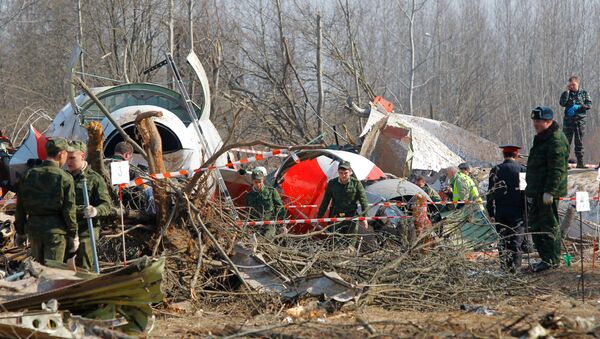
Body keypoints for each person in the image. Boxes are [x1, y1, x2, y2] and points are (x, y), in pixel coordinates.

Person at [14, 138, 78, 265]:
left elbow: (20, 207)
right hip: (55, 232)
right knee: (53, 272)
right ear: (61, 154)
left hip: (34, 230)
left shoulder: (29, 174)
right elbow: (69, 210)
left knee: (39, 269)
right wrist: (73, 234)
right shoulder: (64, 177)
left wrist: (20, 232)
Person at [526, 106, 569, 272]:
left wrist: (550, 191)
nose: (535, 124)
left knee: (549, 225)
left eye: (538, 121)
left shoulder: (556, 139)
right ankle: (545, 258)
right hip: (537, 190)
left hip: (547, 191)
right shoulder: (543, 137)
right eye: (535, 121)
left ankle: (551, 259)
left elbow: (557, 168)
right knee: (536, 224)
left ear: (548, 121)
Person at [66, 140, 112, 269]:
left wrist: (95, 211)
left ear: (83, 156)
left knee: (83, 262)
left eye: (72, 158)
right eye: (66, 158)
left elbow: (106, 205)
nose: (68, 162)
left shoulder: (94, 178)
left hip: (86, 228)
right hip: (67, 226)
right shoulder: (64, 178)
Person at [486, 145, 526, 273]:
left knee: (503, 241)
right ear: (516, 155)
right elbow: (526, 194)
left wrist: (491, 212)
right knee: (516, 242)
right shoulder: (521, 170)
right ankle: (515, 270)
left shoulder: (496, 170)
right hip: (517, 212)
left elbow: (490, 193)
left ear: (504, 155)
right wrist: (527, 213)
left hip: (501, 212)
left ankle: (504, 269)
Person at [317, 161, 369, 245]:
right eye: (341, 173)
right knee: (335, 241)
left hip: (351, 216)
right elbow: (325, 201)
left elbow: (363, 201)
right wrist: (319, 217)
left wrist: (364, 217)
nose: (343, 175)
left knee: (351, 241)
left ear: (350, 172)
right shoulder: (332, 184)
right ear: (338, 172)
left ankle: (350, 255)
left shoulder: (356, 184)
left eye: (345, 173)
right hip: (336, 216)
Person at [559, 75, 592, 168]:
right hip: (568, 122)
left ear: (578, 84)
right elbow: (562, 103)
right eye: (570, 85)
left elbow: (589, 104)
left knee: (579, 142)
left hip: (580, 121)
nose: (572, 87)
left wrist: (580, 106)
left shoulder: (584, 93)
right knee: (566, 142)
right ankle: (564, 163)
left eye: (573, 85)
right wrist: (567, 92)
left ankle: (580, 163)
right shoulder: (567, 93)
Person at [245, 169, 285, 239]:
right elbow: (248, 213)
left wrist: (282, 225)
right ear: (252, 181)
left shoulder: (271, 192)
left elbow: (280, 208)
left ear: (263, 180)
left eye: (260, 182)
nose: (258, 184)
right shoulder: (249, 196)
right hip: (256, 226)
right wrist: (248, 228)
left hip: (269, 225)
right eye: (255, 182)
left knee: (265, 240)